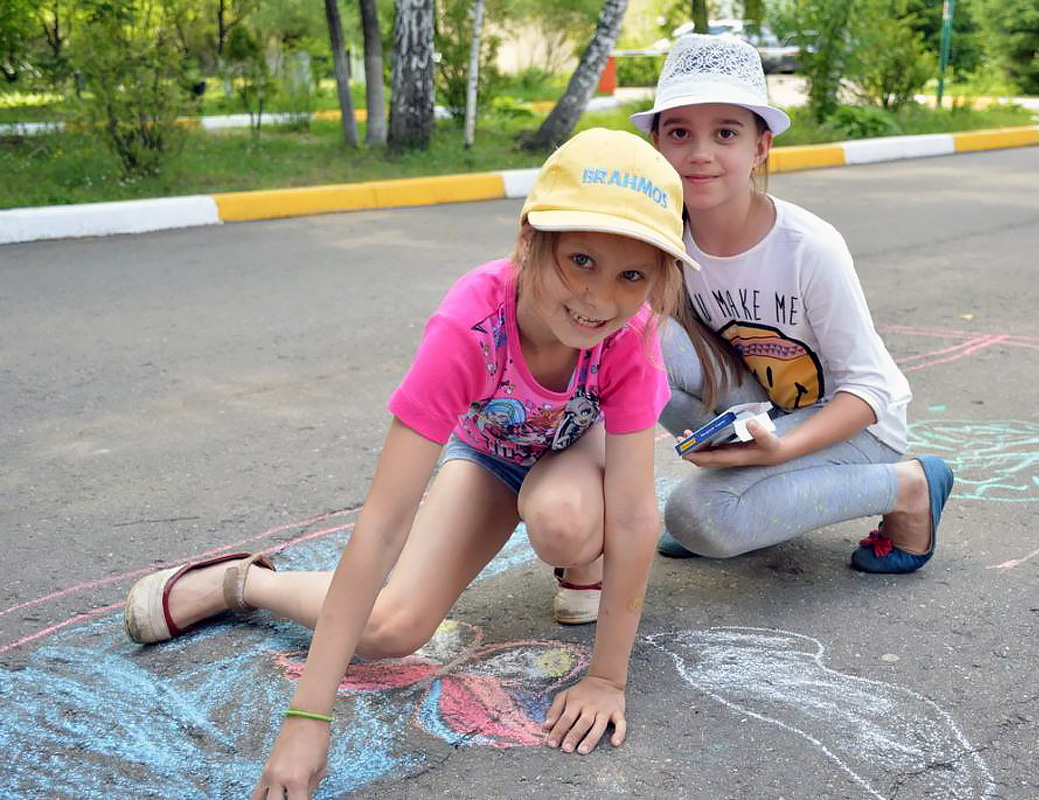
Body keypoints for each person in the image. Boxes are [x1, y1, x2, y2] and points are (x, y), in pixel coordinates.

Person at [122, 127, 699, 799]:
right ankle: (240, 582)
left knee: (565, 518)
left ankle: (581, 564)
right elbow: (383, 523)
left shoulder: (630, 336)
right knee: (391, 628)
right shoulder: (470, 325)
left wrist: (606, 678)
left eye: (632, 275)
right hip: (491, 457)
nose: (599, 298)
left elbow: (631, 515)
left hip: (578, 457)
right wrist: (309, 715)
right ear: (529, 240)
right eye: (580, 260)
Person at [629, 34, 954, 573]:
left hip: (854, 427)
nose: (700, 153)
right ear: (658, 145)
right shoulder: (665, 239)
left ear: (760, 147)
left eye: (725, 133)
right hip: (762, 410)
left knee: (697, 518)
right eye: (680, 133)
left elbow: (870, 392)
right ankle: (755, 495)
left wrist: (779, 449)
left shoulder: (808, 247)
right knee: (636, 334)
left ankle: (910, 486)